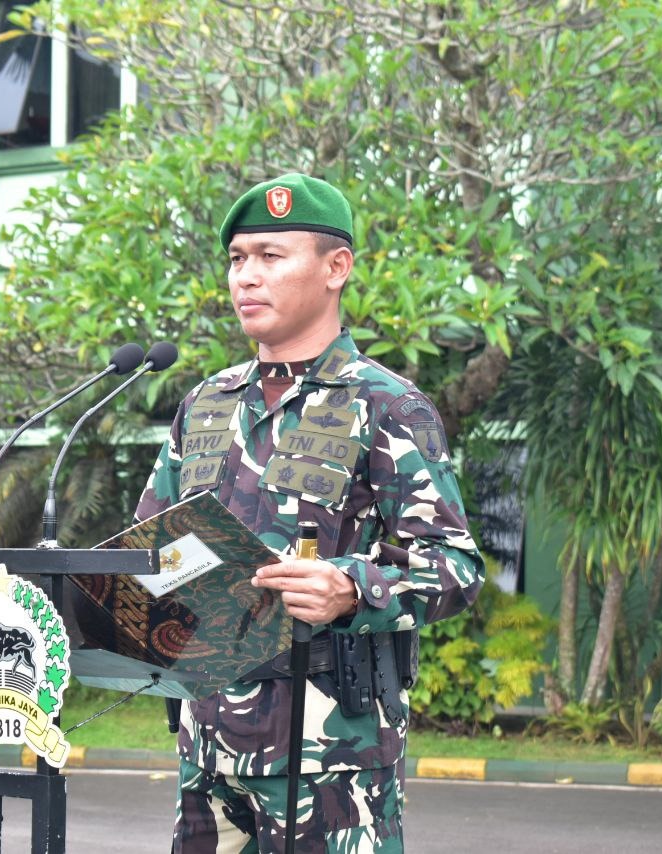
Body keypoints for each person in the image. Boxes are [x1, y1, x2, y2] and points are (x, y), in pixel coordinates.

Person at [135, 173, 484, 853]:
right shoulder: (206, 405)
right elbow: (154, 552)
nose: (246, 278)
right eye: (237, 259)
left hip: (332, 762)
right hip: (209, 757)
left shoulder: (385, 406)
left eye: (271, 256)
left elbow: (455, 564)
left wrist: (353, 587)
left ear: (335, 268)